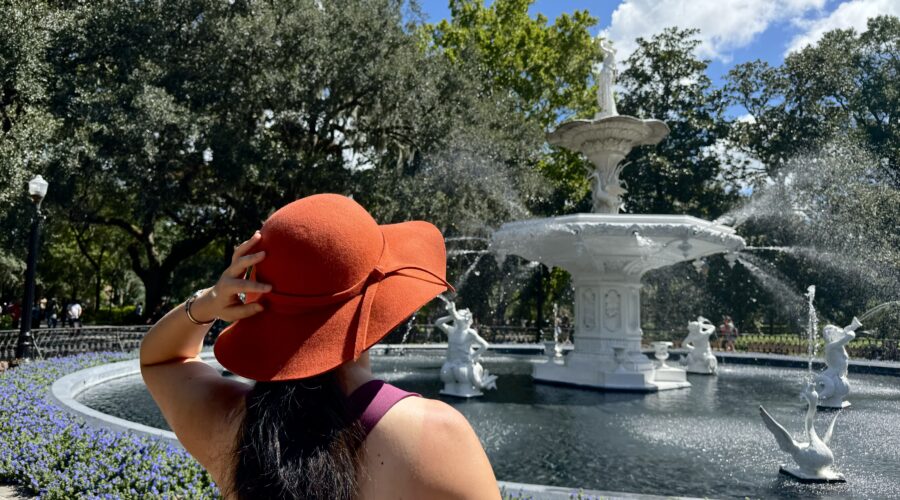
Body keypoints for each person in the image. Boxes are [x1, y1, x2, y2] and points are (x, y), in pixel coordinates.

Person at [140, 194, 500, 500]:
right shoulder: (436, 436)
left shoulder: (230, 426)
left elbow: (161, 360)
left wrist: (207, 303)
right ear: (377, 303)